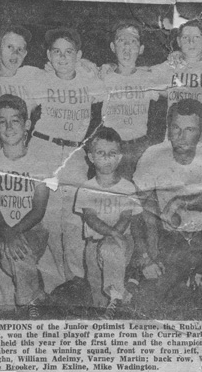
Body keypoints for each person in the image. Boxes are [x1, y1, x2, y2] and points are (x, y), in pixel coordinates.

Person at [133, 98, 202, 306]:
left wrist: (181, 201)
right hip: (171, 238)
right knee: (147, 299)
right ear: (168, 129)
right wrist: (148, 255)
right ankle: (188, 277)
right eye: (176, 128)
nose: (181, 136)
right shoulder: (153, 155)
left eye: (189, 130)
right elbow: (142, 211)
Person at [32, 28, 104, 292]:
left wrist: (92, 68)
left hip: (74, 155)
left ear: (79, 55)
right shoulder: (40, 79)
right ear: (49, 55)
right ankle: (52, 286)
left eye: (69, 52)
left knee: (74, 221)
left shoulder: (90, 80)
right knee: (48, 220)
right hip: (44, 149)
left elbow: (114, 81)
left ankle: (75, 283)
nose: (63, 58)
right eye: (57, 52)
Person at [0, 95, 51, 319]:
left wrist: (12, 233)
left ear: (27, 125)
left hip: (31, 230)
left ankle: (32, 304)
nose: (9, 127)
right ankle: (11, 307)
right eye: (2, 122)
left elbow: (38, 210)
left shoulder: (41, 164)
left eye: (15, 121)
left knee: (15, 252)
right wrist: (4, 234)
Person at [74, 127, 143, 319]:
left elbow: (126, 216)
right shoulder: (87, 188)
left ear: (119, 157)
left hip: (120, 241)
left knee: (111, 259)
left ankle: (117, 301)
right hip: (93, 244)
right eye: (100, 153)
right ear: (90, 157)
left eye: (112, 154)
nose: (106, 158)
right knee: (97, 290)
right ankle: (115, 304)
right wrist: (110, 234)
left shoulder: (127, 187)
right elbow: (90, 217)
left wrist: (113, 236)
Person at [150, 19, 202, 145]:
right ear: (178, 41)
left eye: (196, 37)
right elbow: (140, 74)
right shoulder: (169, 66)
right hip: (175, 141)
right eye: (186, 37)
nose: (191, 42)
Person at [100, 20, 159, 180]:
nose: (127, 47)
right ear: (113, 47)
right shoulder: (103, 77)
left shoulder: (149, 78)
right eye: (121, 41)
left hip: (140, 147)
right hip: (111, 147)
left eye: (133, 42)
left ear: (141, 49)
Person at [0, 25, 42, 163]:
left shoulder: (31, 76)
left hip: (21, 148)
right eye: (9, 47)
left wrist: (84, 63)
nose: (15, 53)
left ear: (25, 53)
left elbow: (64, 70)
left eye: (20, 49)